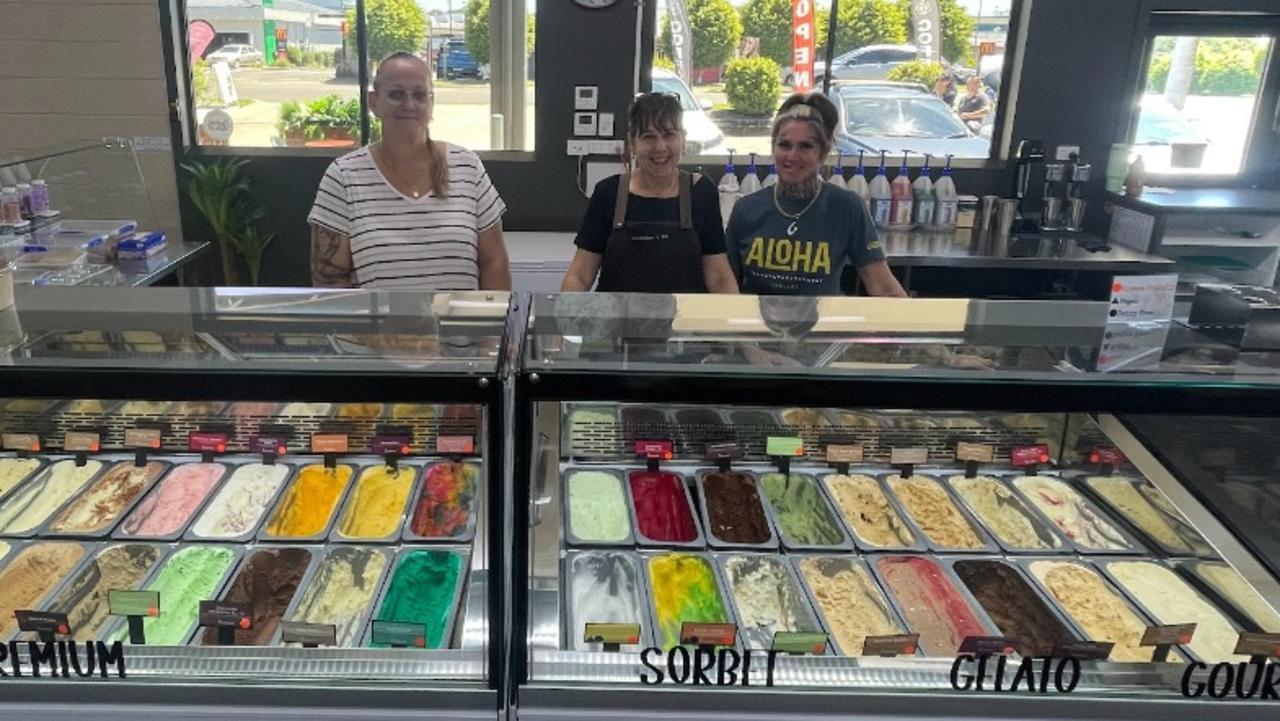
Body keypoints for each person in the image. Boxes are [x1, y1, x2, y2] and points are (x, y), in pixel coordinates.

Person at [308, 52, 511, 290]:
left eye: (419, 95)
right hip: (379, 328)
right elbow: (329, 280)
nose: (409, 104)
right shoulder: (343, 177)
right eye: (396, 94)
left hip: (458, 326)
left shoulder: (468, 167)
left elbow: (494, 262)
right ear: (374, 102)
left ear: (431, 103)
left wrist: (491, 322)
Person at [724, 92, 907, 297]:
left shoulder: (846, 207)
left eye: (806, 146)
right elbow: (724, 283)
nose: (792, 156)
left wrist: (913, 326)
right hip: (758, 327)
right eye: (784, 145)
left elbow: (881, 285)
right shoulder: (746, 209)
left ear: (823, 152)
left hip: (821, 327)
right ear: (773, 148)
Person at [560, 92, 739, 293]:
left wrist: (734, 322)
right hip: (619, 322)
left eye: (669, 135)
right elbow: (580, 276)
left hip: (684, 322)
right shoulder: (608, 193)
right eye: (648, 137)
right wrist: (567, 316)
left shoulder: (702, 193)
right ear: (633, 144)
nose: (660, 147)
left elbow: (718, 277)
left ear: (683, 139)